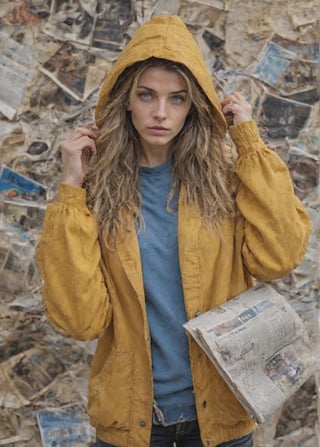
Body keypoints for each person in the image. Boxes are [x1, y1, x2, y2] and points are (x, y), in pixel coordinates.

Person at [36, 15, 310, 447]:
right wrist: (71, 190)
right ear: (126, 100)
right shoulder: (95, 191)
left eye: (177, 99)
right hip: (133, 422)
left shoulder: (225, 180)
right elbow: (79, 320)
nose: (160, 113)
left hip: (222, 417)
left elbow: (277, 258)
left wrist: (250, 144)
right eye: (147, 95)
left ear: (194, 104)